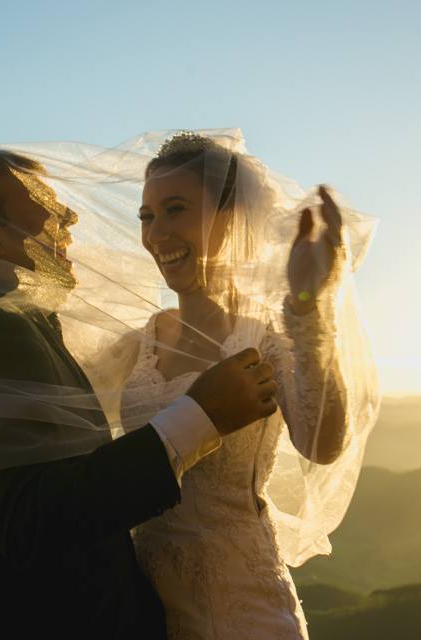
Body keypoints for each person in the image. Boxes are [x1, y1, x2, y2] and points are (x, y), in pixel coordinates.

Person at [0, 150, 280, 640]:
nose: (70, 215)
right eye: (42, 202)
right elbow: (34, 520)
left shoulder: (10, 324)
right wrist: (199, 415)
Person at [105, 132, 380, 639]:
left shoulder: (264, 341)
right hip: (140, 610)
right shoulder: (137, 343)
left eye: (176, 209)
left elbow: (322, 445)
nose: (157, 233)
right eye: (147, 216)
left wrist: (308, 313)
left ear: (232, 219)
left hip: (238, 609)